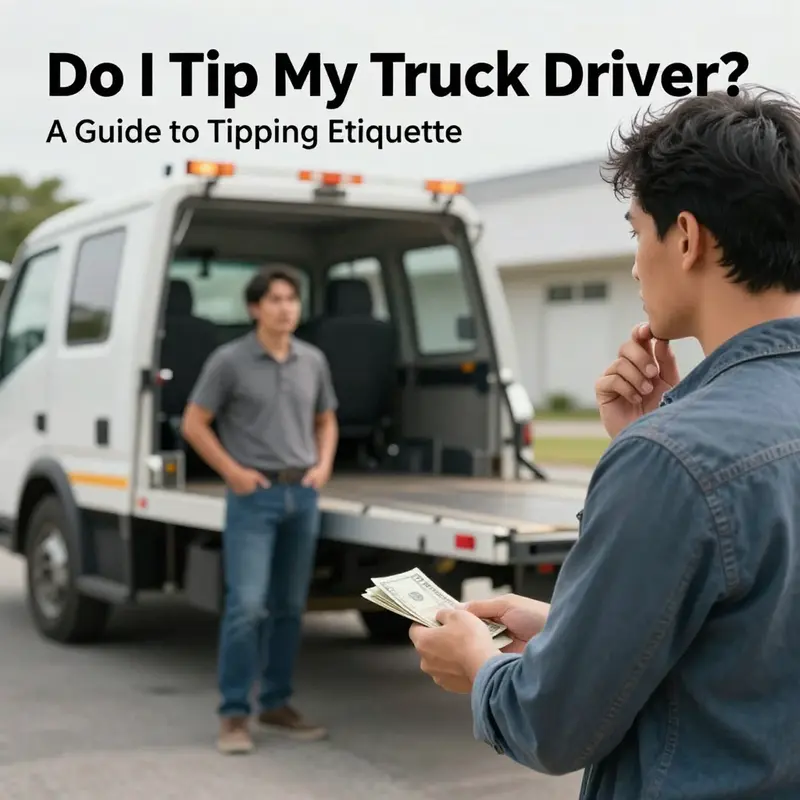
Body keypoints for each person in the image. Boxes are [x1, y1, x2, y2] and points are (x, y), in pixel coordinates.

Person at [409, 86, 800, 798]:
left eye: (635, 232)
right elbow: (756, 649)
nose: (633, 264)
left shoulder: (676, 458)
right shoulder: (677, 447)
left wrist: (480, 666)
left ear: (687, 237)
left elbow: (552, 723)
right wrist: (571, 630)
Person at [181, 266, 339, 755]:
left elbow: (326, 418)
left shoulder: (312, 360)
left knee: (290, 608)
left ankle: (275, 703)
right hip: (254, 497)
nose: (286, 307)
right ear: (254, 309)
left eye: (291, 298)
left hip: (302, 495)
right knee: (247, 607)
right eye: (274, 299)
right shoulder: (229, 361)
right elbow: (194, 422)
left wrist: (323, 465)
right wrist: (232, 471)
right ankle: (233, 715)